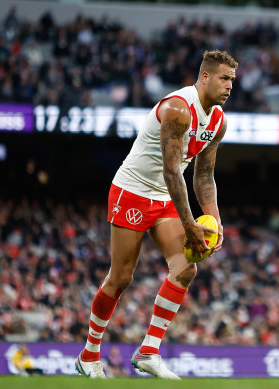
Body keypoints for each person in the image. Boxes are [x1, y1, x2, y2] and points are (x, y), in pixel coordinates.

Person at [75, 50, 238, 379]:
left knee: (185, 268)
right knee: (121, 278)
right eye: (224, 78)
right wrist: (190, 223)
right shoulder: (178, 108)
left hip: (165, 196)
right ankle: (89, 355)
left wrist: (215, 220)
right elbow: (171, 170)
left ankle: (149, 352)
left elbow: (203, 176)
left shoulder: (218, 121)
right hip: (132, 192)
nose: (229, 86)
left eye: (232, 80)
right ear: (204, 77)